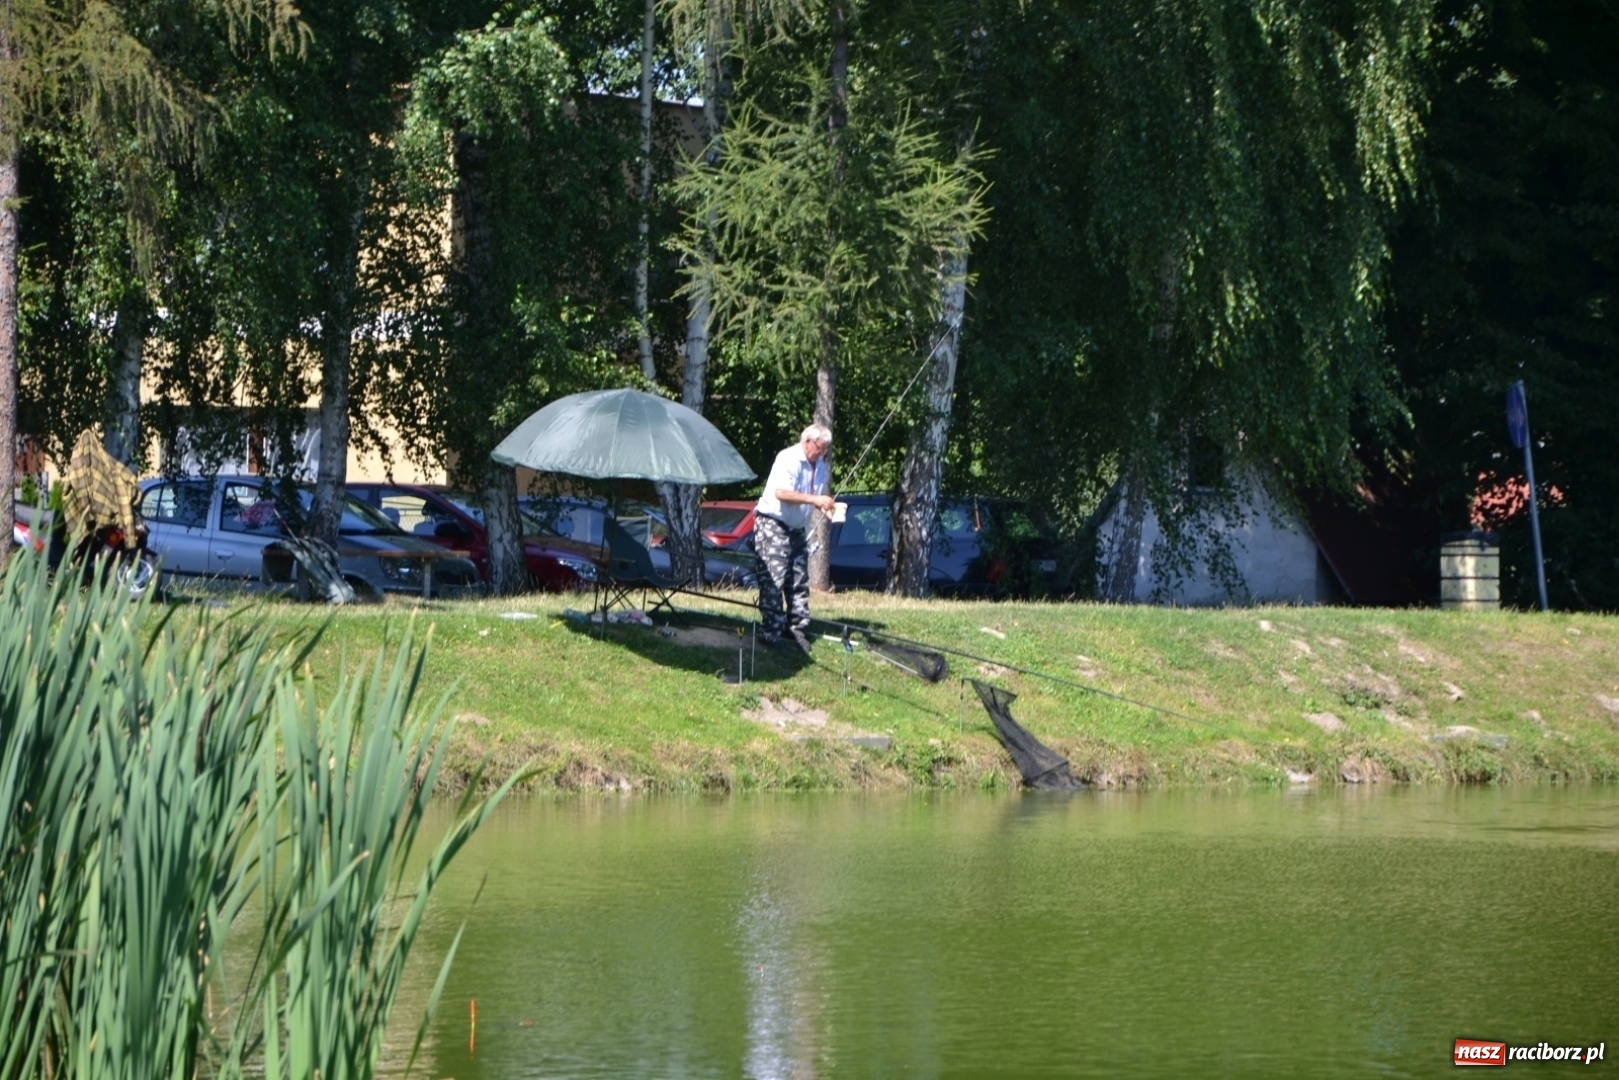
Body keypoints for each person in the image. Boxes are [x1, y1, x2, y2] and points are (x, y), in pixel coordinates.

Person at [754, 424, 835, 652]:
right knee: (773, 580)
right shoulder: (787, 458)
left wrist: (825, 507)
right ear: (808, 441)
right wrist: (815, 500)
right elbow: (782, 493)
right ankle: (771, 632)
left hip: (797, 528)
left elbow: (812, 497)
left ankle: (797, 629)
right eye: (820, 448)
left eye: (825, 449)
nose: (822, 453)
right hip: (773, 524)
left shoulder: (820, 466)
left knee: (799, 580)